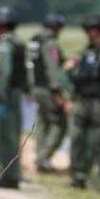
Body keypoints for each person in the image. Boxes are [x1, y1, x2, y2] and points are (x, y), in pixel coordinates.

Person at [67, 15, 100, 188]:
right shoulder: (85, 52)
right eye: (89, 31)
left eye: (94, 31)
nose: (91, 34)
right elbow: (69, 72)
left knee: (97, 140)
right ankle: (78, 175)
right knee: (77, 137)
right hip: (82, 100)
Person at [0, 7, 27, 188]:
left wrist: (0, 96)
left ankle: (8, 175)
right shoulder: (17, 43)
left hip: (6, 96)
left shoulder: (5, 45)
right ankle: (12, 174)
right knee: (12, 135)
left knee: (5, 136)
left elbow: (4, 73)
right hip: (14, 94)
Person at [29, 15, 68, 173]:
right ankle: (43, 158)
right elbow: (52, 68)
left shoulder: (35, 41)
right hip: (47, 88)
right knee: (58, 123)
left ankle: (40, 157)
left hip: (35, 87)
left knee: (42, 123)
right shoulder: (50, 43)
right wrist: (57, 91)